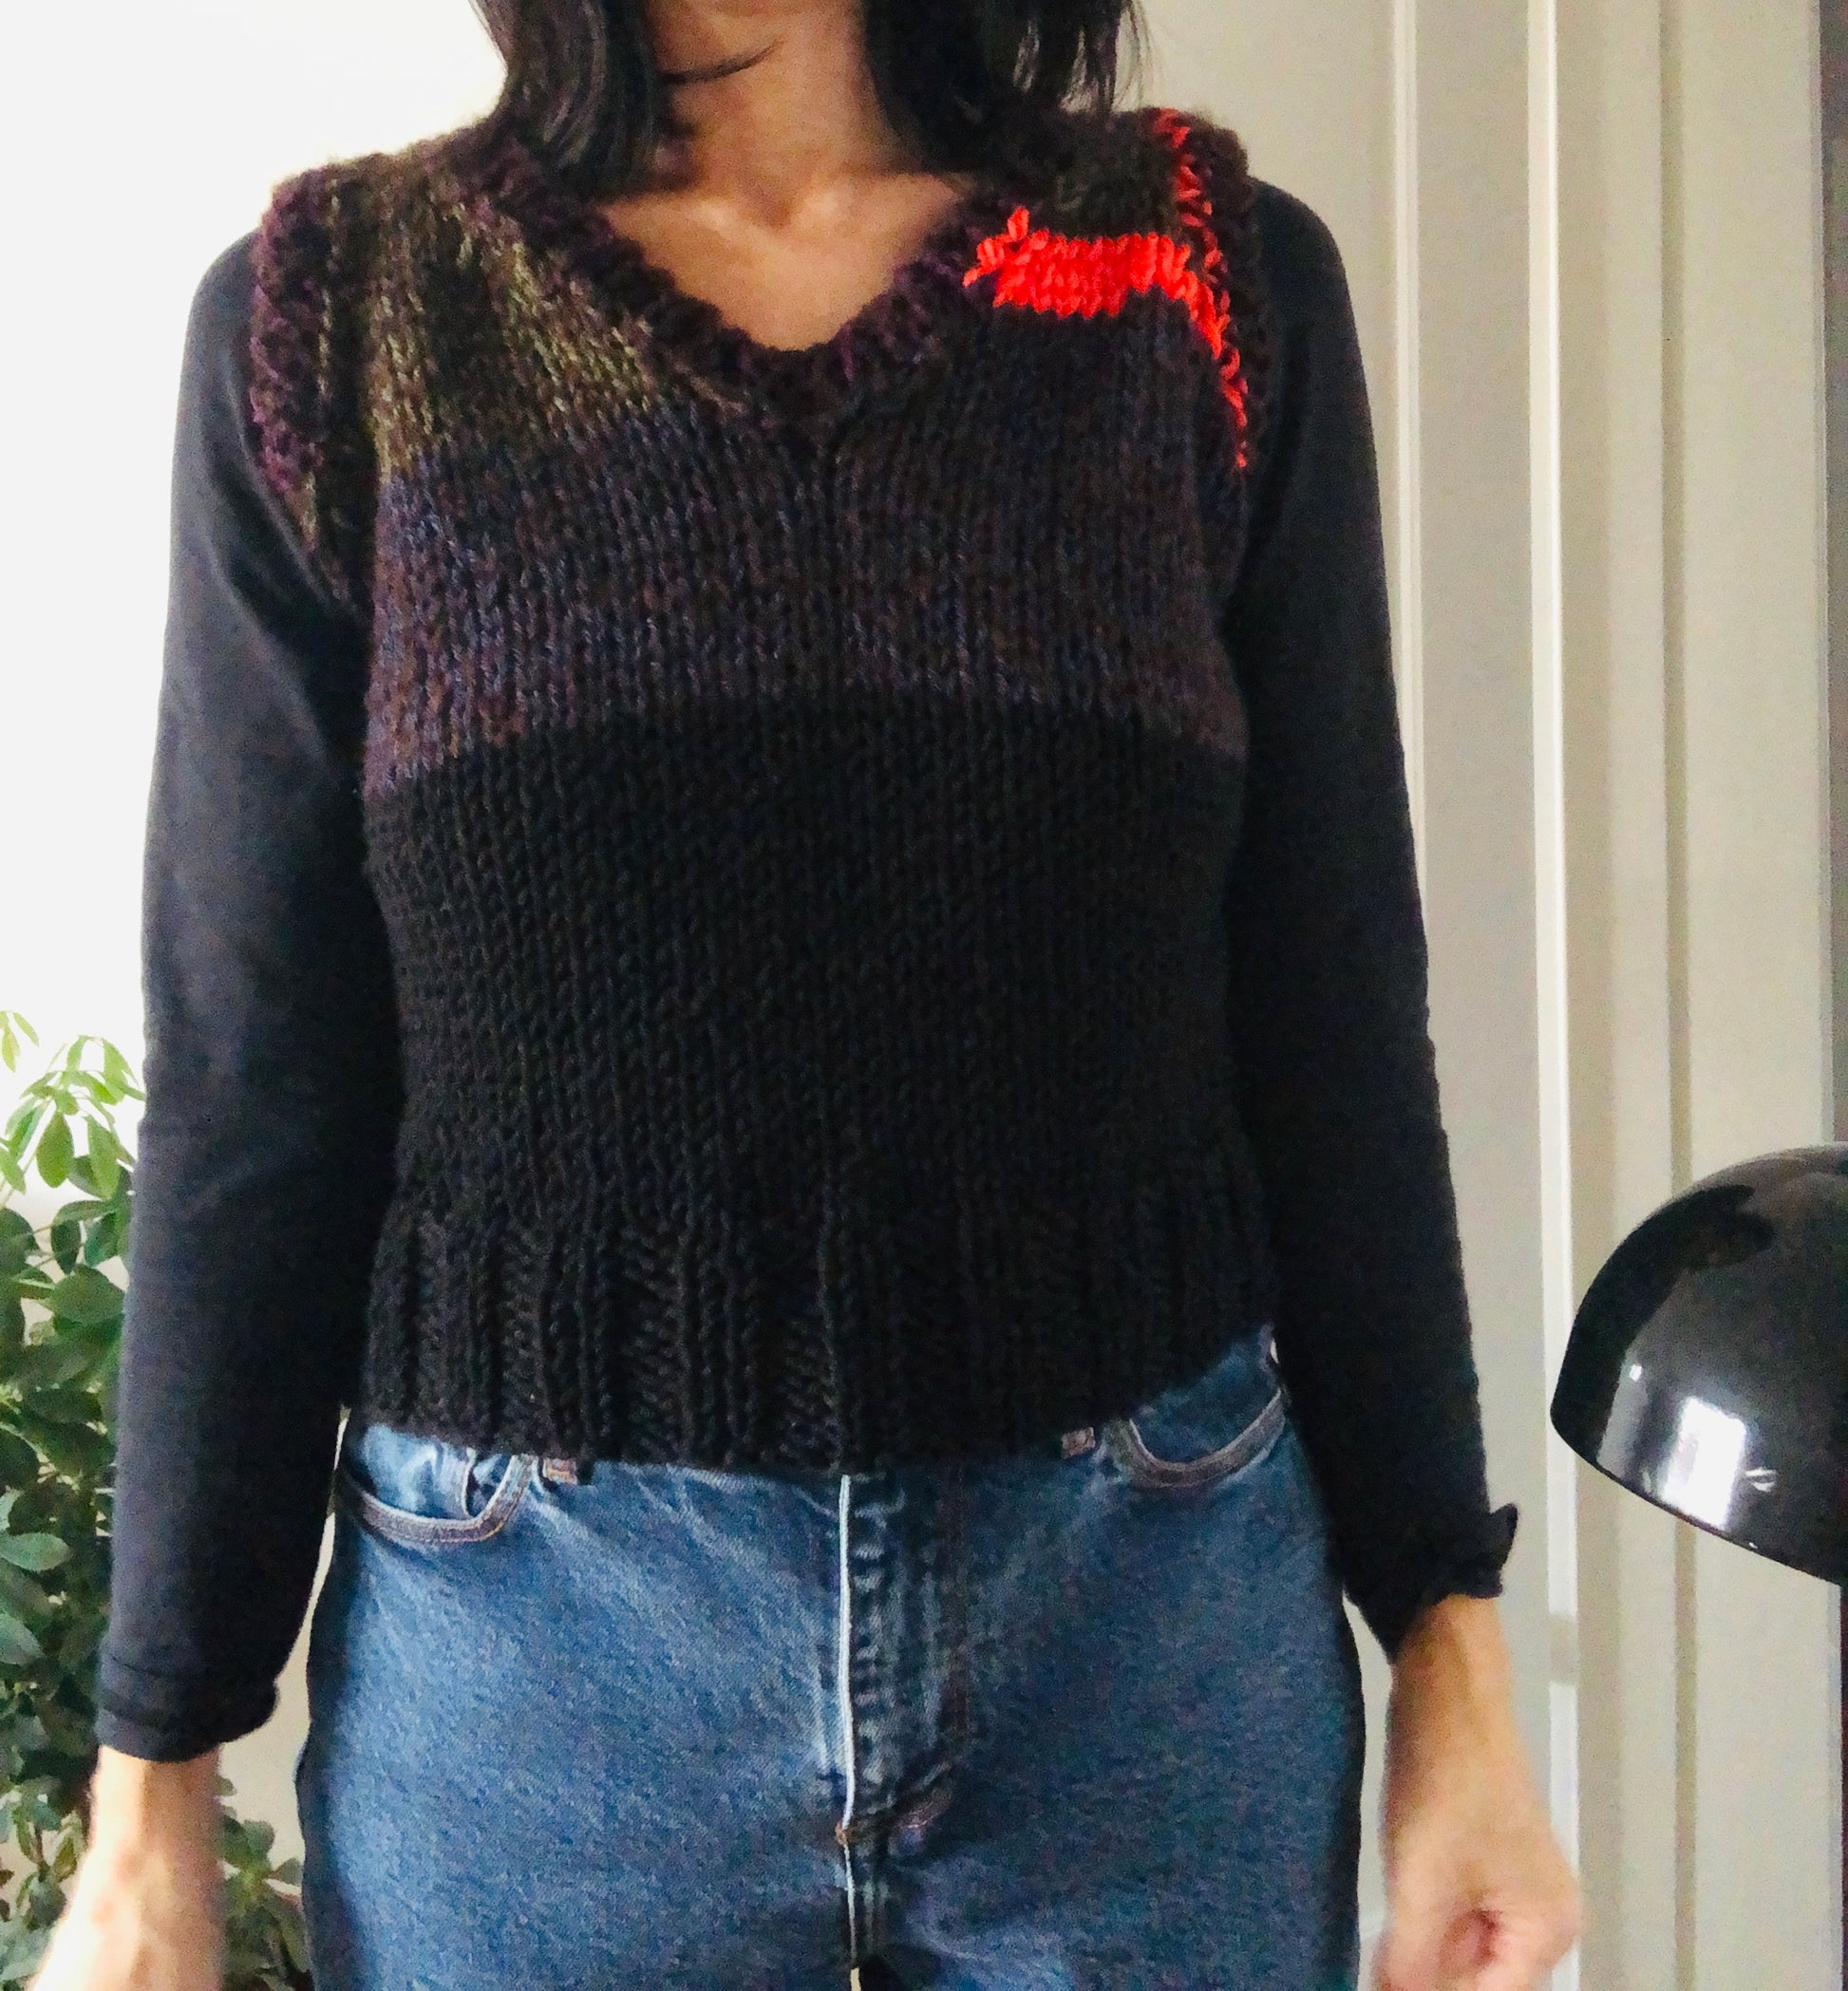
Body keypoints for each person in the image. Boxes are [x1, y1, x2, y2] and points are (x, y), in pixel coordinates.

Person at [39, 1, 1581, 1986]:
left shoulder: (1201, 279)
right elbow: (255, 1085)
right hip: (537, 1679)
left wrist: (1447, 1648)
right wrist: (152, 1791)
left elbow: (1336, 1010)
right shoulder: (338, 322)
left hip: (1144, 1630)